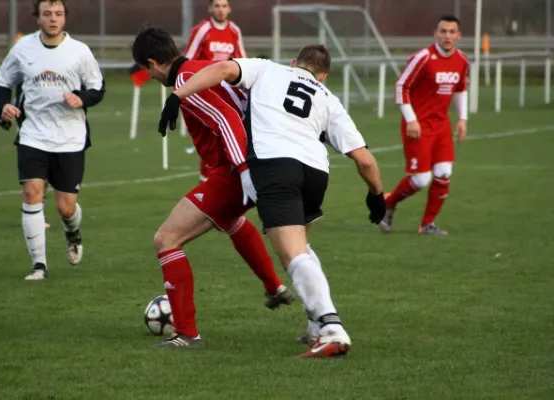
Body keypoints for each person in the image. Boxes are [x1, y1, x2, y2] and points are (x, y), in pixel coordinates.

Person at [159, 45, 386, 358]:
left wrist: (177, 95)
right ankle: (315, 325)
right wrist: (377, 197)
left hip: (276, 166)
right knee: (301, 248)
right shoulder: (329, 99)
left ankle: (331, 328)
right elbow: (364, 160)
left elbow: (222, 70)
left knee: (292, 255)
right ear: (324, 75)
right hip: (316, 172)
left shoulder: (269, 68)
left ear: (293, 63)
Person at [131, 27, 294, 349]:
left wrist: (244, 172)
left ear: (152, 62)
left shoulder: (184, 82)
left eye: (146, 71)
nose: (148, 77)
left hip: (237, 169)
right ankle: (278, 290)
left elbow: (226, 119)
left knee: (166, 239)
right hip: (250, 162)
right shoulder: (200, 68)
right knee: (237, 223)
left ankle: (187, 334)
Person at [0, 0, 105, 280]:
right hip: (33, 134)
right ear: (37, 18)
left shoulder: (80, 52)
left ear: (65, 18)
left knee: (65, 207)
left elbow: (97, 88)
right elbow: (3, 82)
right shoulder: (23, 49)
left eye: (58, 14)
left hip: (70, 137)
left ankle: (73, 232)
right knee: (32, 193)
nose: (53, 19)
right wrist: (3, 108)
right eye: (47, 14)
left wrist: (82, 98)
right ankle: (39, 265)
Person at [380, 15, 469, 235]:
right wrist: (411, 118)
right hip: (418, 126)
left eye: (451, 32)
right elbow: (401, 86)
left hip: (441, 125)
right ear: (435, 33)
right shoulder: (423, 57)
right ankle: (388, 203)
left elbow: (460, 90)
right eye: (443, 31)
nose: (447, 36)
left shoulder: (462, 61)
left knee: (444, 172)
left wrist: (463, 118)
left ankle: (427, 224)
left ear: (458, 35)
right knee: (420, 179)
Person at [184, 0, 247, 182]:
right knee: (211, 139)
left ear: (229, 9)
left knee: (224, 138)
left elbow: (241, 61)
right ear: (210, 8)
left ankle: (218, 185)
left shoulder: (234, 31)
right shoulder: (202, 30)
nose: (220, 10)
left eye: (224, 6)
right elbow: (188, 60)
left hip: (225, 93)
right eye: (217, 6)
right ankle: (207, 183)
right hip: (203, 92)